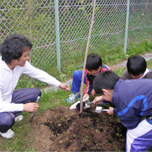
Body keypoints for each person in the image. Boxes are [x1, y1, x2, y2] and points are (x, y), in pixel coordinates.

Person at [0, 34, 70, 139]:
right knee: (7, 120)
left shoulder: (19, 65)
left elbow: (38, 73)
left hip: (8, 98)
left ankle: (13, 112)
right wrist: (23, 107)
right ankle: (3, 129)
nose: (27, 58)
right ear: (14, 57)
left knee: (35, 94)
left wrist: (58, 84)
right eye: (25, 55)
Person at [93, 71, 152, 152]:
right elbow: (131, 104)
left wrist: (118, 111)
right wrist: (113, 109)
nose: (102, 97)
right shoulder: (124, 84)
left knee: (133, 135)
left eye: (101, 94)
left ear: (105, 91)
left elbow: (131, 124)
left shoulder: (123, 102)